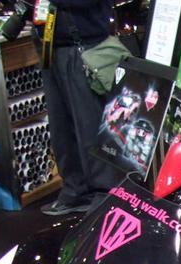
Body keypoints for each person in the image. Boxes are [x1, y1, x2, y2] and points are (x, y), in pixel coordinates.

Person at [35, 0, 121, 216]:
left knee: (90, 126)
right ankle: (75, 190)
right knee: (61, 128)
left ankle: (104, 194)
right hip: (50, 45)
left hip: (84, 47)